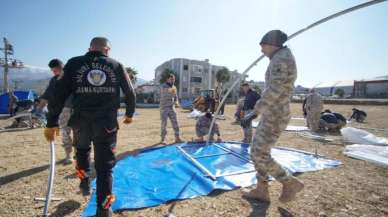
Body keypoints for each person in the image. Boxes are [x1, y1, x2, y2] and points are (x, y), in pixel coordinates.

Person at [43, 37, 136, 217]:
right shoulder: (116, 65)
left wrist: (51, 122)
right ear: (107, 50)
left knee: (82, 153)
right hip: (106, 125)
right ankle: (104, 209)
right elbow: (130, 93)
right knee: (104, 168)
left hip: (80, 122)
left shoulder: (74, 63)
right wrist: (129, 114)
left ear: (90, 48)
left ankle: (84, 182)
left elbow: (58, 93)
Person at [241, 30, 304, 203]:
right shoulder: (279, 57)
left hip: (275, 114)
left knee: (260, 154)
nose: (261, 51)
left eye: (262, 47)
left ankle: (289, 182)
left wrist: (255, 111)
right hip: (271, 113)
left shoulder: (281, 58)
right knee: (256, 152)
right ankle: (262, 189)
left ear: (272, 44)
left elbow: (275, 89)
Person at [40, 59, 75, 164]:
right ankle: (69, 155)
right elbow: (47, 94)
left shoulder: (72, 77)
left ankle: (79, 153)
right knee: (65, 131)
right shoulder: (54, 80)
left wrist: (68, 106)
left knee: (78, 132)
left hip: (74, 109)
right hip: (60, 111)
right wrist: (40, 107)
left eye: (56, 70)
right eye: (52, 70)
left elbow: (76, 92)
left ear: (62, 66)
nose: (54, 72)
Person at [159, 74, 183, 144]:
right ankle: (163, 139)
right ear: (167, 79)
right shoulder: (163, 86)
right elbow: (168, 93)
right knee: (164, 124)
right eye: (171, 79)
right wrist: (173, 90)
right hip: (164, 107)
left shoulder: (174, 87)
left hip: (171, 107)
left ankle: (177, 138)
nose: (173, 80)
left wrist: (176, 102)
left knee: (175, 122)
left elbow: (176, 97)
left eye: (173, 79)